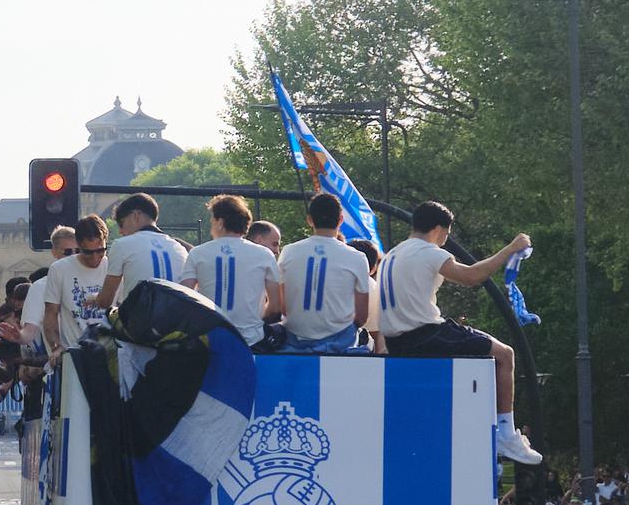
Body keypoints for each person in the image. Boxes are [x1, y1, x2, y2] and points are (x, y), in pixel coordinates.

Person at [375, 199, 541, 465]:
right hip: (425, 335)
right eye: (446, 234)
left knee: (474, 349)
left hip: (396, 342)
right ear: (438, 229)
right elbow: (472, 277)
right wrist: (511, 249)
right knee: (505, 355)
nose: (445, 241)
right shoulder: (429, 252)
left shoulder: (391, 255)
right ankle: (506, 433)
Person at [277, 192, 372, 354]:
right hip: (340, 343)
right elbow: (362, 317)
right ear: (340, 220)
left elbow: (284, 308)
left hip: (295, 340)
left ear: (309, 220)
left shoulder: (288, 252)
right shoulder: (357, 257)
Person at [181, 195, 281, 348]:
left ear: (220, 222)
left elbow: (185, 299)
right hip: (251, 341)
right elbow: (275, 307)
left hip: (210, 340)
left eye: (212, 221)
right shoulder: (264, 255)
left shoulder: (198, 253)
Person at [94, 193, 192, 313]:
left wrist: (94, 299)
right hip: (177, 321)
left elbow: (105, 301)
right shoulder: (179, 248)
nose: (120, 231)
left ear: (136, 216)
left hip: (140, 322)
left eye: (121, 223)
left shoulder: (121, 245)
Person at [42, 215, 111, 358]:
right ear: (78, 245)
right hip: (75, 352)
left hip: (110, 351)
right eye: (88, 252)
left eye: (100, 250)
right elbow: (51, 313)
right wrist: (56, 348)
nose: (95, 257)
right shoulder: (59, 269)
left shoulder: (113, 267)